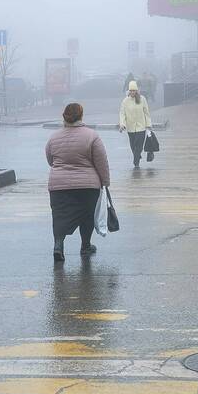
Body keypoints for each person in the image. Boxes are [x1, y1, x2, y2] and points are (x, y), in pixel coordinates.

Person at [45, 103, 111, 262]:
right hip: (87, 186)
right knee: (86, 216)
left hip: (58, 185)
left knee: (59, 216)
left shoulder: (54, 137)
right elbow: (101, 161)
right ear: (81, 116)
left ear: (64, 117)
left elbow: (50, 159)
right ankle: (85, 246)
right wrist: (105, 182)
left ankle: (58, 246)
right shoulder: (92, 136)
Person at [118, 81, 152, 168]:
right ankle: (137, 155)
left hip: (141, 127)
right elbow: (122, 113)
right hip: (130, 127)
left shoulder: (142, 99)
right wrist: (122, 124)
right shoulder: (125, 101)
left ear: (137, 90)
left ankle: (136, 162)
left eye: (134, 90)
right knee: (133, 146)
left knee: (139, 145)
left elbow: (146, 112)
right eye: (131, 90)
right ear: (129, 91)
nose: (132, 92)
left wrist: (148, 124)